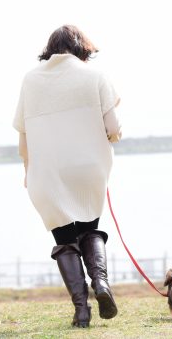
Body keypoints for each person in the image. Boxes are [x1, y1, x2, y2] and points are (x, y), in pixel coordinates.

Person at [13, 25, 122, 328]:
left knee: (64, 238)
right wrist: (109, 138)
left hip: (47, 171)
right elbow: (113, 128)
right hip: (89, 167)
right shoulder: (95, 76)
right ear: (82, 49)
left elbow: (24, 138)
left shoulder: (31, 80)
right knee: (90, 228)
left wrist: (27, 171)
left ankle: (82, 311)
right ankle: (101, 284)